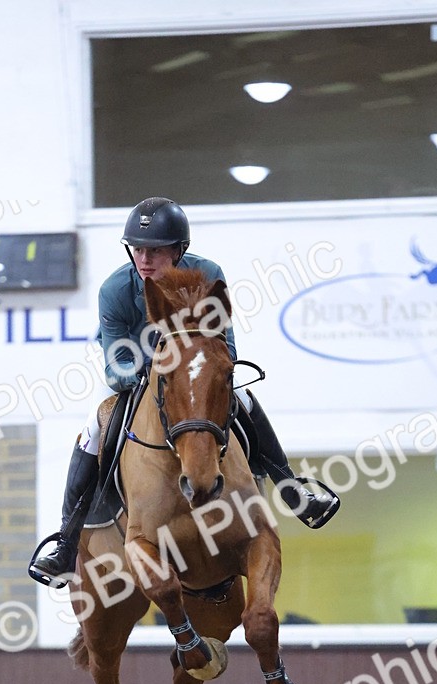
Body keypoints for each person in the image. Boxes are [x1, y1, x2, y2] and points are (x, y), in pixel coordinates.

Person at [29, 196, 339, 586]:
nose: (144, 259)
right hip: (141, 378)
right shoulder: (114, 290)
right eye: (138, 249)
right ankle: (67, 540)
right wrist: (155, 371)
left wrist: (205, 370)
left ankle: (292, 489)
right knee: (95, 426)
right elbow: (114, 364)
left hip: (199, 375)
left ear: (179, 250)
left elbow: (225, 343)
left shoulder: (207, 274)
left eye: (156, 251)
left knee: (244, 398)